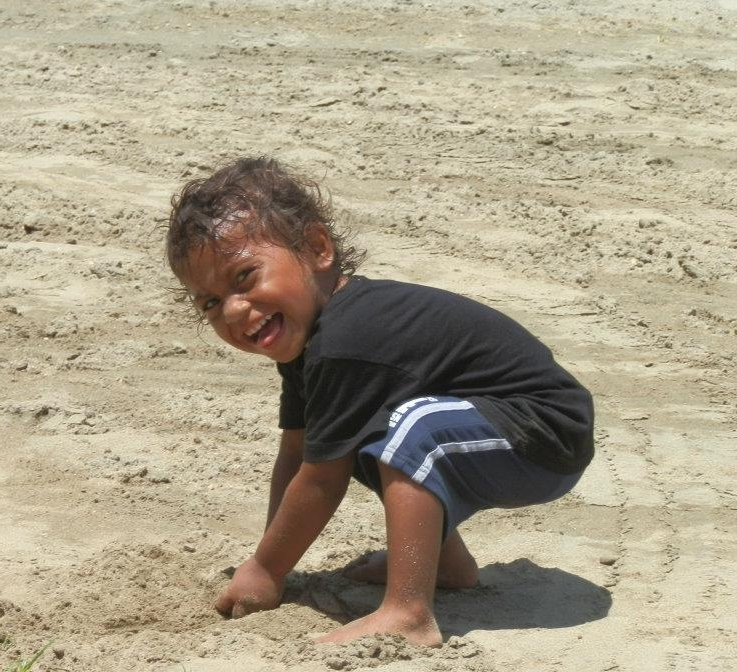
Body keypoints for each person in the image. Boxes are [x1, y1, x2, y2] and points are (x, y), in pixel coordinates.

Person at [164, 157, 594, 646]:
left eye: (244, 278)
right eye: (210, 303)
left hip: (546, 433)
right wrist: (271, 562)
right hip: (494, 428)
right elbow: (299, 455)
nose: (235, 309)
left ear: (316, 248)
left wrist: (266, 567)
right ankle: (448, 565)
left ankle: (408, 612)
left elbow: (321, 483)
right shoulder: (311, 346)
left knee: (413, 430)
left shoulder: (349, 335)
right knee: (365, 437)